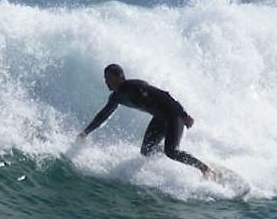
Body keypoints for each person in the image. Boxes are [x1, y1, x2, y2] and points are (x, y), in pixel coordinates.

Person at [78, 63, 211, 176]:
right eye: (105, 78)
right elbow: (103, 115)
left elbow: (164, 95)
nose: (106, 82)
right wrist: (86, 132)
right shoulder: (116, 97)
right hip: (160, 118)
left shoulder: (134, 86)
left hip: (174, 115)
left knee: (172, 151)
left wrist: (184, 114)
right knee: (146, 150)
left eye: (108, 78)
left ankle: (204, 169)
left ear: (119, 77)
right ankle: (169, 152)